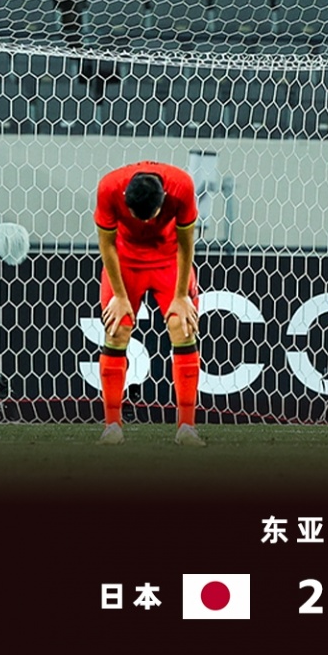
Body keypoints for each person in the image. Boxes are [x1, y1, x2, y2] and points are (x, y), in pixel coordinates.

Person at [94, 160, 204, 446]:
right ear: (125, 199)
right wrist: (120, 296)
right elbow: (106, 244)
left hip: (169, 261)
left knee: (183, 327)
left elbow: (186, 243)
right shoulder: (109, 188)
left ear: (163, 200)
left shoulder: (182, 186)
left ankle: (187, 427)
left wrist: (181, 296)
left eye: (149, 216)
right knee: (117, 330)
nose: (143, 222)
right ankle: (112, 425)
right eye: (135, 215)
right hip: (125, 261)